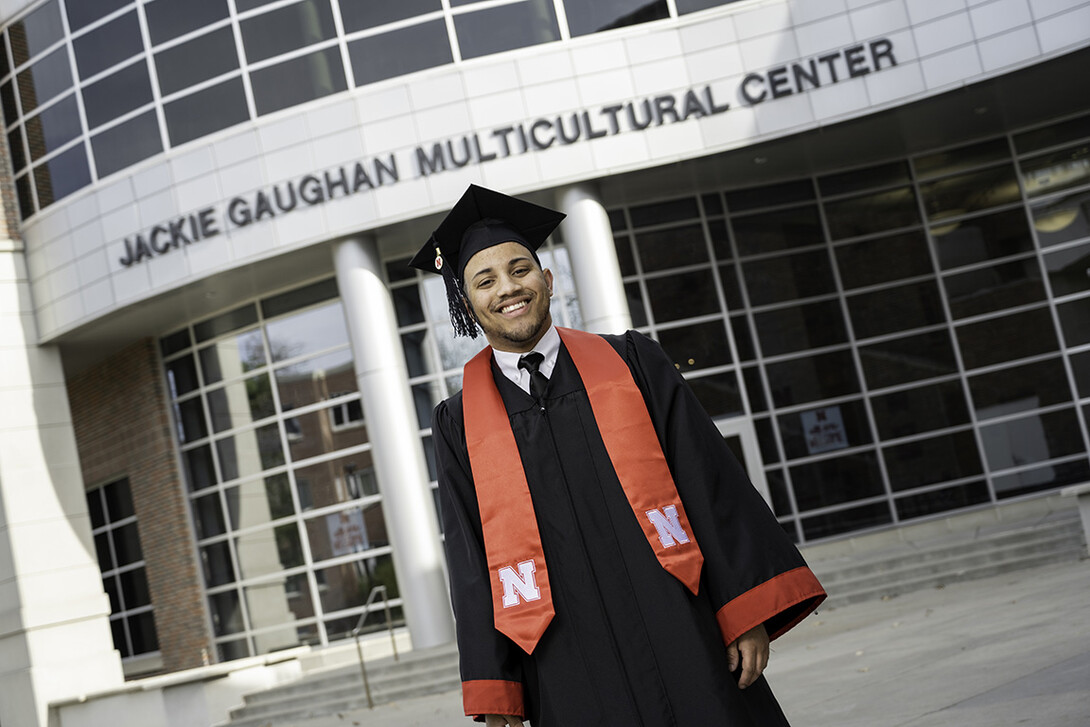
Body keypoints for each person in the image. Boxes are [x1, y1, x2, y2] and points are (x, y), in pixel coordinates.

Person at [409, 184, 826, 726]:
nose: (508, 288)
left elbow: (709, 482)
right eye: (485, 281)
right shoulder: (459, 421)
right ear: (465, 304)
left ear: (548, 280)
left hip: (682, 627)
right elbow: (471, 560)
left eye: (520, 269)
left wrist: (743, 610)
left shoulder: (631, 364)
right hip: (564, 660)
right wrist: (499, 689)